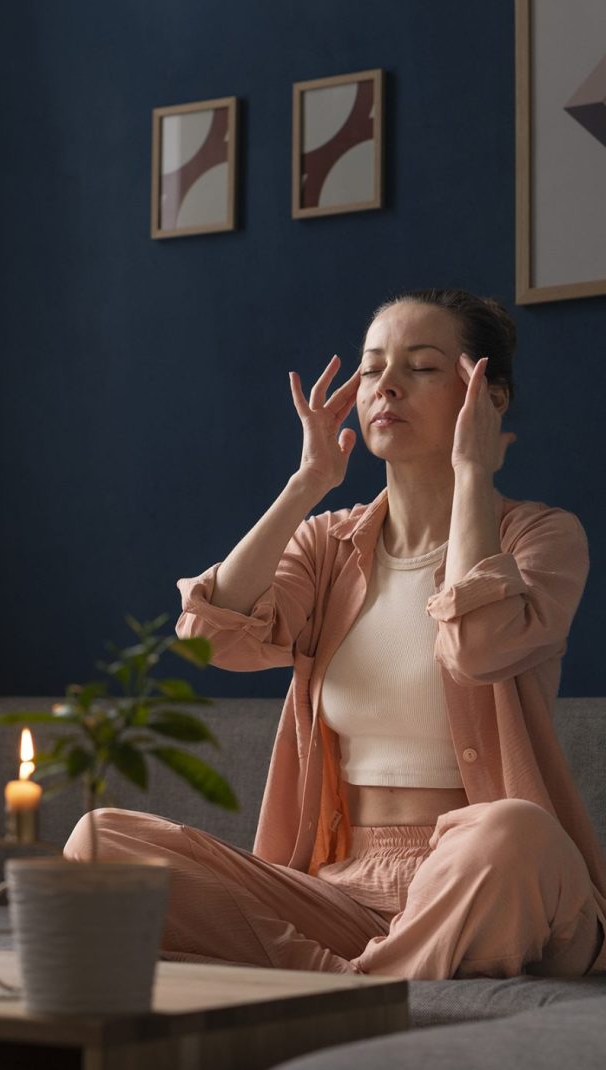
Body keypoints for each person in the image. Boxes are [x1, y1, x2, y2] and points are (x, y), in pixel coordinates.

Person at [64, 289, 606, 980]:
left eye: (423, 367)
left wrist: (474, 472)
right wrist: (307, 483)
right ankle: (360, 978)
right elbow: (210, 636)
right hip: (341, 885)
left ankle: (339, 985)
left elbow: (479, 650)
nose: (387, 386)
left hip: (485, 873)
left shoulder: (540, 538)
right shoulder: (329, 544)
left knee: (514, 830)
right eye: (374, 367)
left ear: (489, 396)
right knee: (102, 841)